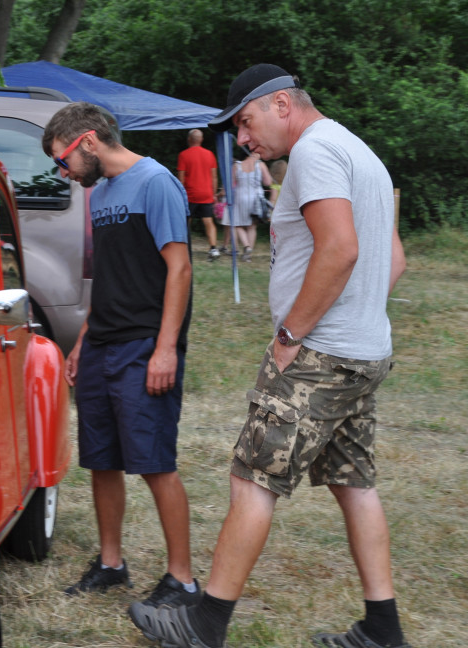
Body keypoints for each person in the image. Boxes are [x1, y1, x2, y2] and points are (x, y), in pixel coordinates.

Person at [128, 64, 410, 648]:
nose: (245, 139)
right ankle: (383, 630)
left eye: (247, 123)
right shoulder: (363, 153)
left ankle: (205, 624)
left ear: (282, 104)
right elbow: (393, 261)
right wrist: (353, 318)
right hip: (363, 351)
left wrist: (292, 337)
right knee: (354, 483)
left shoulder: (314, 153)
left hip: (319, 357)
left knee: (252, 480)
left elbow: (340, 249)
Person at [42, 102, 200, 609]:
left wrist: (165, 349)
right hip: (102, 345)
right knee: (102, 460)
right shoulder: (101, 193)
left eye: (62, 160)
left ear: (88, 141)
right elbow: (109, 276)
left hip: (144, 345)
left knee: (155, 463)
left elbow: (179, 270)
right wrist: (83, 340)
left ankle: (183, 580)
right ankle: (112, 565)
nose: (63, 172)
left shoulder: (156, 183)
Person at [177, 128, 220, 261]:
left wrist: (179, 195)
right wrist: (214, 194)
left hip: (190, 194)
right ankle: (213, 248)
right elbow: (214, 177)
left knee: (185, 221)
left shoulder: (184, 155)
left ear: (189, 140)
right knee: (208, 221)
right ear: (201, 140)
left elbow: (181, 179)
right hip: (206, 193)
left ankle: (182, 248)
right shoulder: (209, 154)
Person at [223, 150, 273, 261]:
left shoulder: (236, 166)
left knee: (237, 224)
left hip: (240, 196)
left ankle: (246, 246)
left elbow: (231, 184)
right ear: (253, 153)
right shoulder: (260, 165)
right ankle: (248, 255)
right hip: (256, 197)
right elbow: (268, 182)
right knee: (252, 226)